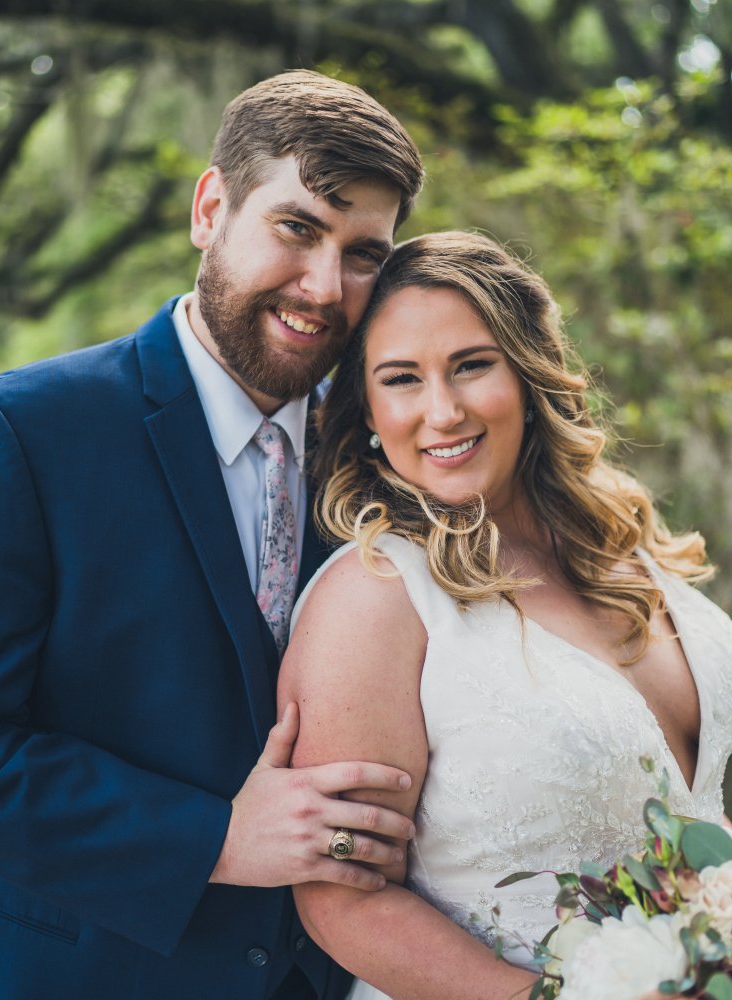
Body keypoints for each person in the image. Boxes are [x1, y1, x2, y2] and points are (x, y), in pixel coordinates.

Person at [0, 70, 424, 998]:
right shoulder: (17, 431)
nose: (324, 285)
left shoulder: (384, 456)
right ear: (211, 208)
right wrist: (211, 839)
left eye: (365, 253)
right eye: (297, 227)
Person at [283, 231, 730, 999]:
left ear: (527, 374)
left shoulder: (626, 543)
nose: (443, 411)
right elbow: (339, 895)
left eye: (471, 365)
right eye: (401, 379)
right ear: (365, 414)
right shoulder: (377, 596)